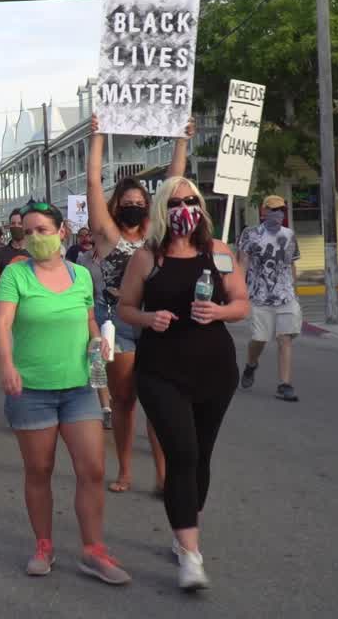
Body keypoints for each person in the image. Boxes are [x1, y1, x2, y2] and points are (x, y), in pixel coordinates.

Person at [116, 176, 248, 591]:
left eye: (191, 200)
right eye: (174, 202)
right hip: (161, 371)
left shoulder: (219, 253)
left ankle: (183, 528)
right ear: (161, 210)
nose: (184, 208)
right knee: (183, 453)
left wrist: (219, 312)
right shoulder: (146, 258)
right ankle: (191, 555)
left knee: (201, 456)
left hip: (214, 370)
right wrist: (147, 319)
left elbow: (241, 303)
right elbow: (124, 308)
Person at [0, 202, 130, 584]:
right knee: (39, 470)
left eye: (43, 230)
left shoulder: (82, 275)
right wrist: (6, 364)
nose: (35, 237)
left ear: (62, 231)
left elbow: (89, 319)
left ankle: (93, 550)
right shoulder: (14, 276)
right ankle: (44, 545)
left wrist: (95, 342)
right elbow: (2, 324)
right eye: (29, 231)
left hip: (79, 388)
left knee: (92, 469)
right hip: (30, 389)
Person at [89, 115, 192, 495]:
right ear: (116, 205)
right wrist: (98, 135)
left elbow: (173, 183)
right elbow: (92, 183)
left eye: (139, 202)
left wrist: (181, 140)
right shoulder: (106, 234)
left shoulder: (154, 235)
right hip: (116, 326)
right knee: (124, 401)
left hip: (155, 324)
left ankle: (163, 476)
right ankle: (125, 471)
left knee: (159, 403)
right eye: (126, 202)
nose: (133, 206)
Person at [238, 195, 302, 402]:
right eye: (273, 210)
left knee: (285, 338)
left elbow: (291, 263)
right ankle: (251, 364)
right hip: (259, 296)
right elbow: (243, 264)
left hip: (285, 296)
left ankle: (285, 384)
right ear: (263, 211)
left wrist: (293, 288)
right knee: (259, 339)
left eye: (281, 210)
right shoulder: (251, 234)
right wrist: (238, 291)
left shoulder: (289, 235)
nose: (278, 214)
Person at [70, 228, 114, 429]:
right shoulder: (82, 259)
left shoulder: (119, 256)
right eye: (88, 234)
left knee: (117, 364)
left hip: (118, 316)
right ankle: (105, 408)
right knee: (98, 360)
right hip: (94, 313)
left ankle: (117, 400)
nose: (89, 238)